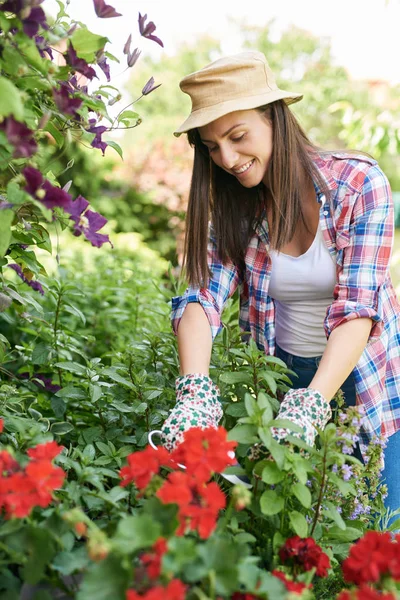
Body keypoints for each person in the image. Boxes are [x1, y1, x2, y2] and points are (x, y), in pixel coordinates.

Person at [154, 51, 400, 517]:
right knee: (296, 528)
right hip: (282, 379)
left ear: (276, 120)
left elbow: (358, 309)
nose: (226, 159)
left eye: (237, 135)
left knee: (380, 529)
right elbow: (200, 296)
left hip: (364, 381)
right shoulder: (234, 206)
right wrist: (195, 391)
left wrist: (311, 404)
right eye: (211, 146)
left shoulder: (359, 184)